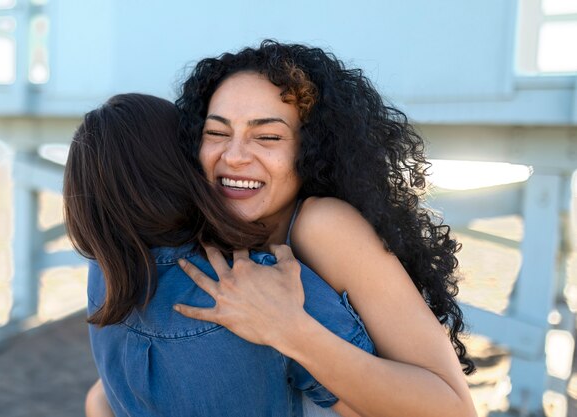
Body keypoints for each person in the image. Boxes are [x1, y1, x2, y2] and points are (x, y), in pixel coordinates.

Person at [169, 40, 478, 417]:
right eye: (216, 133)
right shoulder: (205, 238)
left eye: (268, 137)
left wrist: (287, 328)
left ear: (313, 148)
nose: (233, 156)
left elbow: (453, 410)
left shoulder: (323, 225)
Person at [64, 93, 377, 417]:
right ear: (182, 163)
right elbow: (376, 402)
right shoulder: (264, 282)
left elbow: (110, 393)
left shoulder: (103, 276)